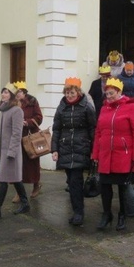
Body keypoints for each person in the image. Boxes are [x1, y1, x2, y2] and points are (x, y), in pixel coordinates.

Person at [91, 77, 134, 231]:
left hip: (123, 155)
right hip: (106, 154)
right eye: (107, 94)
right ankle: (107, 214)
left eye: (112, 93)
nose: (109, 97)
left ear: (120, 92)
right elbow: (98, 132)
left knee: (122, 187)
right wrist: (95, 154)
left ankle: (122, 214)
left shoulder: (131, 107)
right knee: (105, 186)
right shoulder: (104, 108)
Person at [51, 77, 96, 226]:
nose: (69, 95)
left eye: (72, 92)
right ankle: (77, 209)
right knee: (70, 182)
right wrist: (54, 149)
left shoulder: (86, 107)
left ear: (78, 92)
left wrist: (93, 150)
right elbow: (56, 129)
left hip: (80, 147)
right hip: (65, 147)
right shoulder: (61, 107)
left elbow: (92, 129)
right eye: (67, 93)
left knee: (76, 181)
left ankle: (79, 212)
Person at [0, 83, 31, 219]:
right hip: (3, 151)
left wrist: (11, 152)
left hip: (11, 152)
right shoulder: (4, 110)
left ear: (11, 96)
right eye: (3, 92)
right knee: (14, 178)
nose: (3, 94)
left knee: (3, 179)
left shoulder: (17, 110)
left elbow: (17, 133)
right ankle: (25, 203)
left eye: (6, 92)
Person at [14, 81, 44, 199]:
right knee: (18, 164)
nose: (17, 94)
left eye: (19, 92)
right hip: (17, 137)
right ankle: (19, 191)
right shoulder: (13, 103)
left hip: (31, 137)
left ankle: (36, 184)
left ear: (24, 92)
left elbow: (39, 117)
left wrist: (28, 122)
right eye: (16, 92)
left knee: (32, 162)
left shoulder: (32, 101)